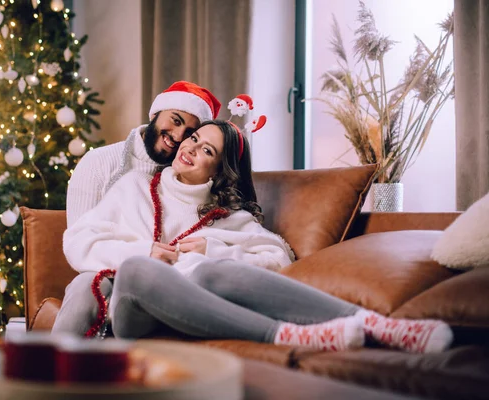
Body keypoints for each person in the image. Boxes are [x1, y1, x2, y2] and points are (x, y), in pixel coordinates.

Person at [61, 119, 453, 354]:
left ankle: (379, 326)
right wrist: (143, 250)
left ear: (218, 171)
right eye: (193, 139)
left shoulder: (230, 218)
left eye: (207, 150)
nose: (191, 148)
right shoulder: (132, 187)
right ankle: (286, 336)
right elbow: (79, 239)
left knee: (212, 272)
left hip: (185, 314)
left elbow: (279, 258)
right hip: (129, 314)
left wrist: (211, 249)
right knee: (132, 271)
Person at [52, 81, 220, 334]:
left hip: (162, 282)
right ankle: (52, 370)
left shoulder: (185, 176)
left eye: (189, 133)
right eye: (174, 120)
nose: (177, 136)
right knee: (87, 284)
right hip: (102, 272)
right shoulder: (99, 163)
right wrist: (141, 254)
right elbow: (80, 246)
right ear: (154, 114)